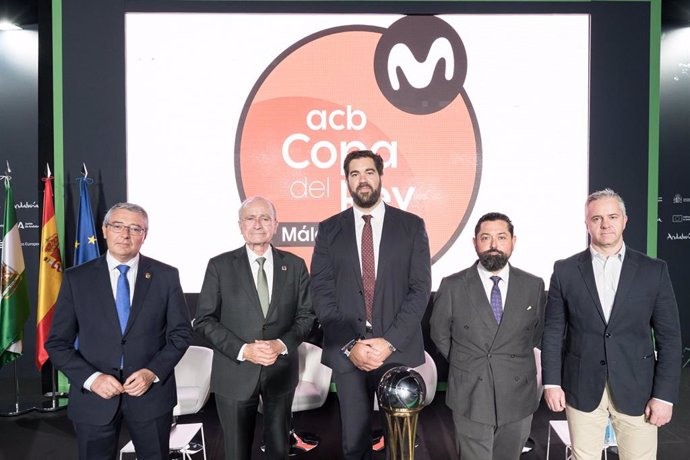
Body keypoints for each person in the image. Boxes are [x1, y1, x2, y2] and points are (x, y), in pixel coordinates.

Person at [541, 188, 682, 460]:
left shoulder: (654, 270)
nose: (605, 224)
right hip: (581, 385)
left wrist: (664, 396)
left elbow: (670, 339)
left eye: (612, 217)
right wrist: (551, 383)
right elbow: (553, 332)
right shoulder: (565, 270)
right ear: (587, 224)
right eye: (597, 218)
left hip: (637, 388)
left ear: (625, 220)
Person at [310, 149, 432, 460]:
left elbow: (420, 290)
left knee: (400, 442)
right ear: (347, 181)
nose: (362, 180)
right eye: (354, 174)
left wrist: (389, 341)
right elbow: (322, 292)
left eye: (368, 172)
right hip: (348, 349)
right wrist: (351, 345)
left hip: (396, 347)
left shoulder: (411, 225)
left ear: (380, 176)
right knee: (354, 442)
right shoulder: (328, 229)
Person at [46, 202, 192, 460]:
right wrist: (92, 379)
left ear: (144, 236)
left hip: (151, 397)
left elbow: (181, 334)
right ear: (104, 230)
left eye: (135, 228)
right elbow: (58, 343)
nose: (125, 234)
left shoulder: (165, 276)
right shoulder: (76, 279)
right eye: (118, 226)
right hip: (94, 399)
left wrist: (152, 372)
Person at [193, 196, 315, 460]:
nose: (257, 224)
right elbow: (203, 320)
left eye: (265, 218)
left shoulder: (294, 265)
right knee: (236, 453)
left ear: (275, 224)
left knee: (279, 450)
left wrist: (280, 345)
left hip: (280, 373)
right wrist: (243, 350)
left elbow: (307, 316)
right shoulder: (220, 265)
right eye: (250, 218)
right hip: (234, 373)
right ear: (240, 225)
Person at [430, 212, 546, 459]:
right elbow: (439, 333)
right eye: (486, 237)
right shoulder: (452, 285)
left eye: (501, 237)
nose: (494, 245)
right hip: (470, 391)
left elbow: (536, 335)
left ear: (513, 241)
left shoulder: (533, 285)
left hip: (517, 393)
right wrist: (467, 361)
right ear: (475, 243)